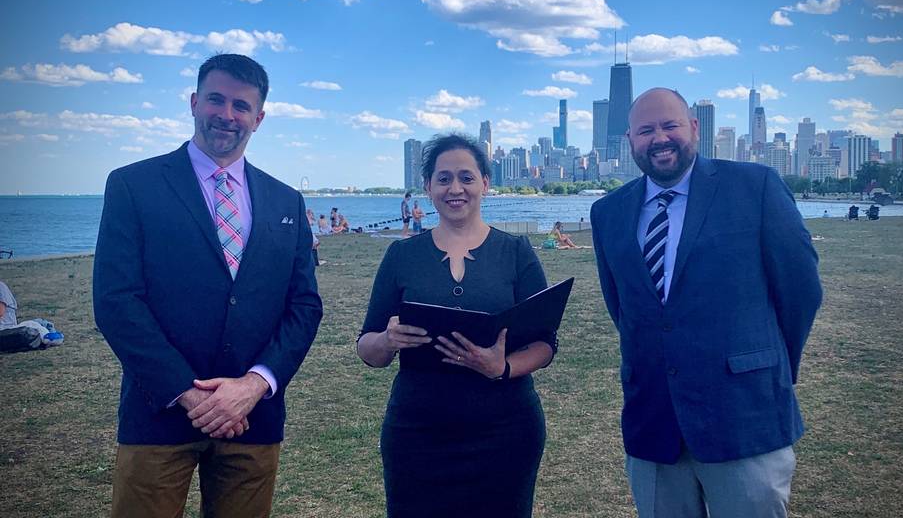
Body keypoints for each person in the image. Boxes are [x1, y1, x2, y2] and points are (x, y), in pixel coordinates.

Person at [92, 54, 323, 518]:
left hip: (252, 419)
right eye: (216, 99)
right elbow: (117, 302)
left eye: (241, 106)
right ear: (194, 102)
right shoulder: (133, 186)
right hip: (159, 413)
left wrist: (256, 384)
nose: (226, 114)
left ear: (259, 119)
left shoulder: (286, 201)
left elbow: (304, 306)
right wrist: (188, 393)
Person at [590, 88, 822, 517]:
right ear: (630, 141)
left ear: (694, 128)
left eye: (669, 125)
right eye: (646, 130)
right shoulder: (608, 212)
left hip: (744, 414)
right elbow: (623, 309)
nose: (659, 138)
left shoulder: (756, 187)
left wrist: (771, 364)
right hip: (654, 421)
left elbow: (801, 289)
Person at [357, 133, 556, 517]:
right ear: (428, 186)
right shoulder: (401, 256)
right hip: (417, 434)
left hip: (506, 431)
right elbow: (367, 348)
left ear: (485, 182)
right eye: (443, 178)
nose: (455, 188)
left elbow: (546, 344)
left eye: (466, 177)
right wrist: (387, 339)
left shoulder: (516, 252)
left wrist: (503, 367)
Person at [0, 280, 64, 352]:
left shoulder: (1, 287)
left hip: (6, 329)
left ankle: (48, 336)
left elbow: (1, 311)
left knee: (30, 326)